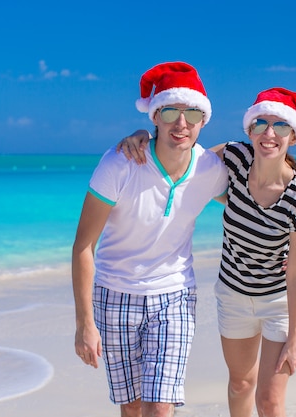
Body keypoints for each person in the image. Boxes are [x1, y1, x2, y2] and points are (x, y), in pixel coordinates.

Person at [118, 87, 296, 417]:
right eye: (261, 124)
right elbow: (185, 161)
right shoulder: (236, 157)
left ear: (293, 136)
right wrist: (143, 135)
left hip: (277, 303)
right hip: (233, 297)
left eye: (281, 126)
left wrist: (294, 339)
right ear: (249, 130)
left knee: (269, 401)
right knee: (240, 383)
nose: (269, 134)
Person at [72, 61, 228, 417]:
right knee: (132, 407)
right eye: (170, 111)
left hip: (174, 295)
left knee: (159, 407)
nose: (181, 123)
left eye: (192, 114)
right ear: (155, 116)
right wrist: (84, 324)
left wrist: (280, 246)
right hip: (114, 294)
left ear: (204, 121)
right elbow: (83, 246)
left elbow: (248, 205)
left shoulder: (209, 170)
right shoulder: (120, 163)